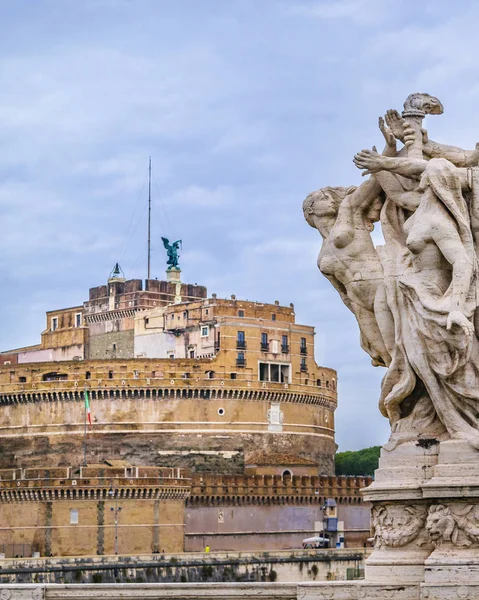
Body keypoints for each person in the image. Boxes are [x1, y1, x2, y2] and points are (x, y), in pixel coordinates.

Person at [353, 147, 479, 448]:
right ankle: (442, 422)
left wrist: (457, 306)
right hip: (413, 300)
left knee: (445, 371)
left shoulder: (439, 221)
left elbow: (463, 261)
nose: (418, 176)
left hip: (433, 301)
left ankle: (462, 424)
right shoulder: (419, 208)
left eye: (425, 176)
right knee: (421, 368)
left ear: (434, 183)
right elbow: (397, 191)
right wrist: (381, 163)